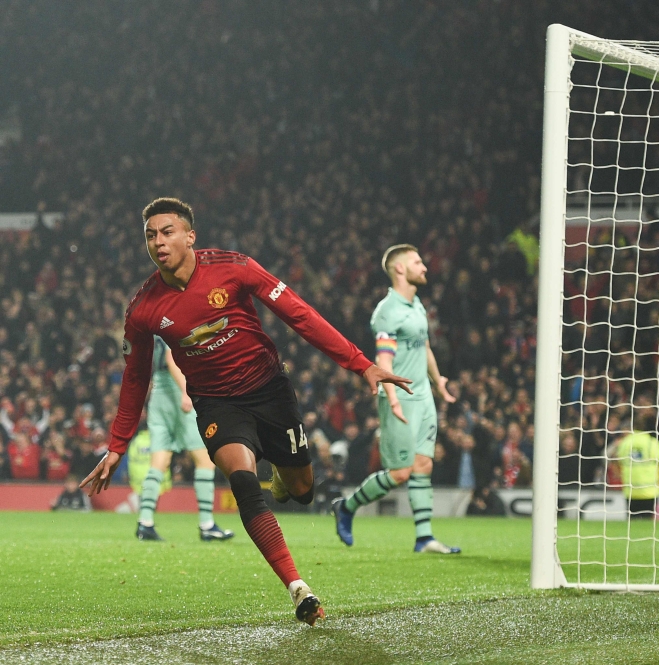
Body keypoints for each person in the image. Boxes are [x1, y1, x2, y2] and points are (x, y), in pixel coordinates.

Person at [79, 198, 411, 625]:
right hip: (216, 403)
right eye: (150, 235)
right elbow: (134, 377)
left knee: (302, 489)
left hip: (270, 391)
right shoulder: (144, 308)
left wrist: (360, 363)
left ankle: (281, 481)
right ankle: (299, 589)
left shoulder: (234, 268)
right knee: (242, 481)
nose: (158, 242)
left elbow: (299, 314)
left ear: (189, 236)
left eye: (167, 232)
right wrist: (117, 445)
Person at [332, 244, 461, 554]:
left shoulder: (416, 306)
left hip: (423, 399)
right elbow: (383, 360)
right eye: (418, 262)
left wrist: (438, 381)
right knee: (400, 472)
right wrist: (391, 399)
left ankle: (424, 538)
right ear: (400, 269)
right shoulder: (386, 312)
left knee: (423, 465)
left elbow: (424, 347)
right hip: (399, 399)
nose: (425, 267)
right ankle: (347, 506)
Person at [133, 336, 234, 542]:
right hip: (178, 389)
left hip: (159, 394)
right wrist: (186, 392)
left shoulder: (154, 326)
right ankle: (207, 525)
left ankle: (145, 522)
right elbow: (172, 358)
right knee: (204, 460)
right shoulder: (173, 320)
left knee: (159, 463)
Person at [611, 407, 659, 518]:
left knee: (631, 527)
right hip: (650, 491)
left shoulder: (625, 442)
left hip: (631, 491)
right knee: (649, 527)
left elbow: (617, 461)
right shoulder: (652, 442)